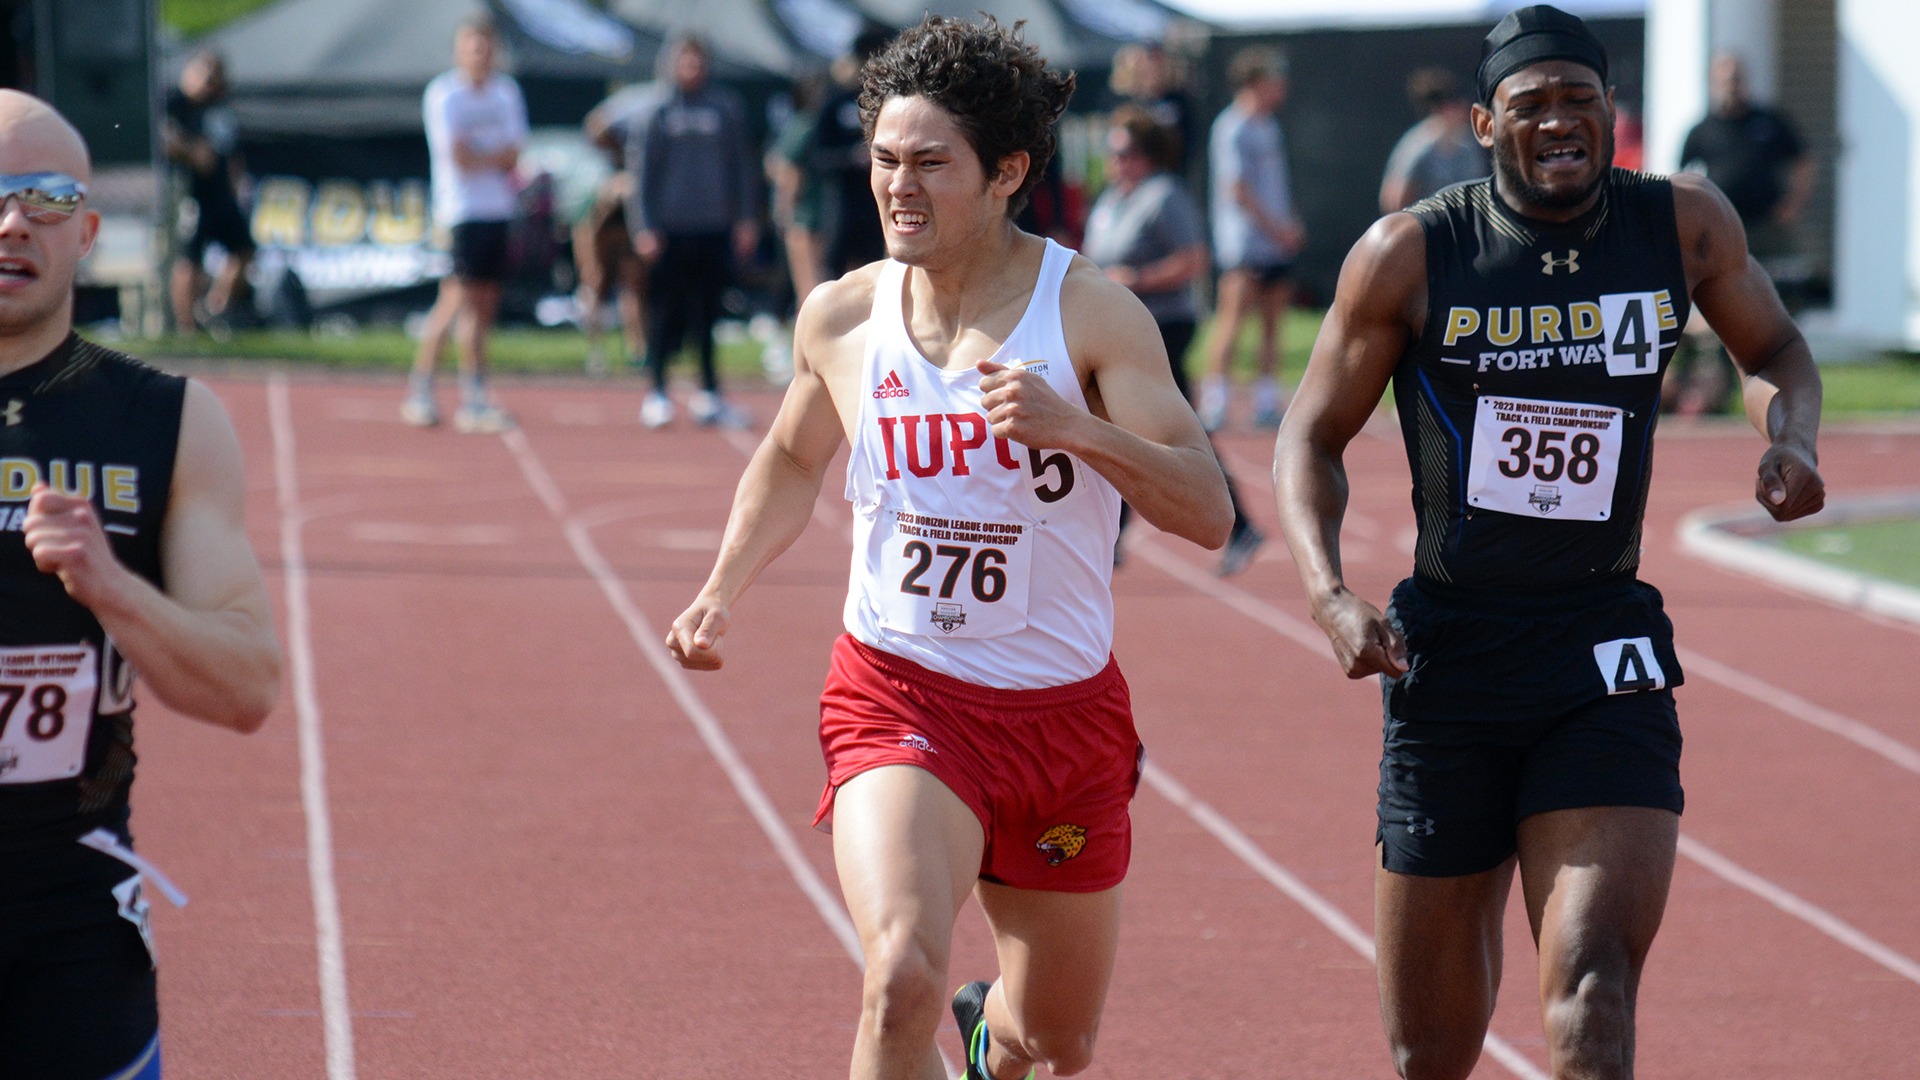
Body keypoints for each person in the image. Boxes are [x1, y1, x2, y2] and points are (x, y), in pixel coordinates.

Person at [663, 17, 1231, 1080]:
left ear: (1008, 170)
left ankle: (991, 1035)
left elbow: (1206, 509)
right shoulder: (842, 317)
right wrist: (719, 590)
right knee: (899, 980)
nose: (898, 187)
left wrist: (1081, 430)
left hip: (1062, 719)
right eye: (883, 159)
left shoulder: (1093, 316)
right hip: (901, 693)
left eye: (930, 162)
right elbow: (793, 461)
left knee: (1057, 1041)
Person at [1271, 8, 1825, 1079]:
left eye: (1582, 98)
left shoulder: (1679, 224)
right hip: (1450, 658)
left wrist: (1789, 437)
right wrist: (1328, 591)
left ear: (1612, 113)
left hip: (1598, 649)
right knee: (1428, 1050)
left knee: (1589, 993)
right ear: (1485, 123)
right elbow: (1311, 435)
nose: (1561, 120)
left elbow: (1778, 349)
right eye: (1533, 104)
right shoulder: (1413, 253)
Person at [0, 90, 282, 1079]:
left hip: (71, 923)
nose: (12, 221)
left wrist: (112, 586)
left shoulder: (165, 422)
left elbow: (247, 685)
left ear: (86, 231)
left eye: (44, 196)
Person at [1082, 106, 1263, 575]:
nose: (1116, 161)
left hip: (1162, 327)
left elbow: (1194, 259)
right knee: (1119, 423)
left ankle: (1238, 523)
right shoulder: (1112, 200)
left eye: (1126, 153)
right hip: (1118, 328)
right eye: (1113, 152)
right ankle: (1112, 533)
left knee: (1173, 428)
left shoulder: (1164, 197)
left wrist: (1136, 278)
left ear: (1148, 155)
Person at [1670, 53, 1817, 415]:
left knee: (1779, 303)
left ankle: (1785, 376)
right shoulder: (1702, 129)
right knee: (1723, 307)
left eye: (1737, 77)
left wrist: (1792, 204)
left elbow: (1804, 159)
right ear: (1712, 83)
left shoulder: (1769, 122)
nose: (1731, 84)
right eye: (1724, 78)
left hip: (1766, 231)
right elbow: (1681, 178)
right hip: (1722, 234)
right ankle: (1719, 384)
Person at [627, 35, 759, 430]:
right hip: (668, 232)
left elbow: (742, 168)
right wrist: (644, 226)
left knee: (708, 313)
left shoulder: (725, 108)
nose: (692, 67)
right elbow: (641, 175)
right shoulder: (657, 111)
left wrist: (746, 219)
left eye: (698, 60)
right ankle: (658, 392)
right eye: (685, 60)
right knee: (665, 314)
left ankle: (709, 393)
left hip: (714, 227)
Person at [405, 16, 525, 434]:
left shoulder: (506, 93)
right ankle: (425, 390)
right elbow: (458, 157)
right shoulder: (444, 94)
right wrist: (490, 156)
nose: (480, 54)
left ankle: (472, 394)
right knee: (457, 301)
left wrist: (485, 156)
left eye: (486, 46)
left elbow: (514, 155)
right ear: (460, 50)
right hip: (461, 213)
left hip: (497, 211)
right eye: (473, 46)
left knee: (484, 305)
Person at [1201, 47, 1304, 433]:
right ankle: (1215, 403)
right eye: (1274, 79)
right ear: (1255, 82)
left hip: (1275, 243)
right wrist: (1276, 228)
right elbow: (1238, 190)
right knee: (1232, 320)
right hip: (1244, 244)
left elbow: (1277, 186)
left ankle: (1266, 401)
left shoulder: (1269, 125)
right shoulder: (1234, 126)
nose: (1281, 87)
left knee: (1273, 324)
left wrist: (1290, 223)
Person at [165, 51, 254, 336]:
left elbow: (232, 152)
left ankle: (215, 308)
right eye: (206, 74)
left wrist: (237, 186)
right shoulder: (174, 104)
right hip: (190, 194)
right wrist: (191, 152)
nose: (211, 82)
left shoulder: (220, 108)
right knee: (189, 259)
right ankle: (186, 326)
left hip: (221, 195)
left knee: (244, 250)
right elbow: (164, 139)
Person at [574, 81, 659, 375]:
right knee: (595, 279)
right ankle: (595, 351)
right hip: (596, 216)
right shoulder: (596, 159)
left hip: (625, 218)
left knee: (633, 279)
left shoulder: (639, 155)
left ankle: (638, 349)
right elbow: (595, 126)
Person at [1377, 67, 1489, 214]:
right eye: (1457, 102)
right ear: (1443, 107)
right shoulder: (1418, 146)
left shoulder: (1469, 144)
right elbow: (1395, 198)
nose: (1464, 107)